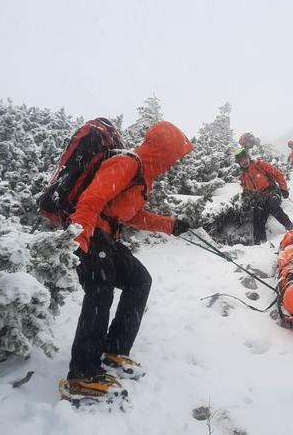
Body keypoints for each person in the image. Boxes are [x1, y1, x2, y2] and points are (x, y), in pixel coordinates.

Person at [63, 121, 193, 397]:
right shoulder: (126, 163)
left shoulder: (144, 175)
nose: (174, 162)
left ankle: (114, 351)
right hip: (91, 232)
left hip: (107, 236)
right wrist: (79, 240)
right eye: (173, 156)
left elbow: (130, 215)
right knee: (100, 292)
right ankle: (82, 374)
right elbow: (91, 200)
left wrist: (170, 224)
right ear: (162, 151)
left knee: (139, 281)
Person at [235, 146, 293, 244]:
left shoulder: (260, 165)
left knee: (272, 206)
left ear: (248, 157)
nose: (244, 161)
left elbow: (278, 174)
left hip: (272, 191)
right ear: (239, 163)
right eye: (241, 161)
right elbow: (246, 191)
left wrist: (283, 188)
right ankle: (260, 243)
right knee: (257, 215)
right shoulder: (243, 177)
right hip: (259, 198)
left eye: (245, 158)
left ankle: (290, 227)